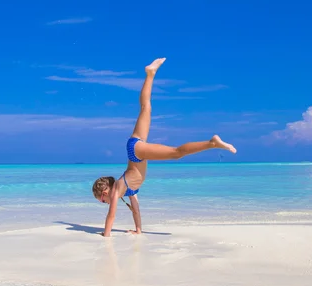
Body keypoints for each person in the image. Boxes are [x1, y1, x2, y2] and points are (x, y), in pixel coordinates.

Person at [91, 58, 237, 237]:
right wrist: (138, 230)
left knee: (176, 153)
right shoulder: (126, 190)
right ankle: (150, 74)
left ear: (104, 191)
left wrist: (106, 236)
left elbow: (110, 216)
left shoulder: (115, 192)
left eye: (101, 199)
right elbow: (135, 210)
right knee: (146, 108)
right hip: (135, 148)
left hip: (136, 153)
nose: (103, 202)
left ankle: (212, 143)